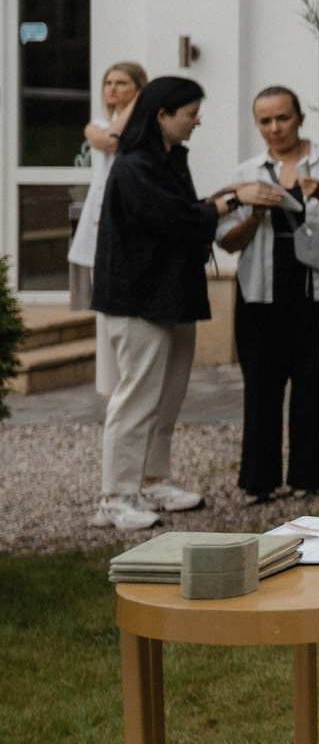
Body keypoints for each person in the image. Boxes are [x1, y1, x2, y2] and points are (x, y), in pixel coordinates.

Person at [89, 76, 246, 533]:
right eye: (190, 114)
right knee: (136, 398)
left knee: (167, 399)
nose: (197, 122)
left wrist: (217, 203)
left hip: (173, 296)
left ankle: (154, 480)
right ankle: (115, 497)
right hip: (138, 300)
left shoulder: (170, 160)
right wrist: (231, 201)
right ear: (162, 115)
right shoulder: (134, 164)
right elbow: (172, 219)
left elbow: (185, 216)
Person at [222, 88, 319, 503]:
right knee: (260, 385)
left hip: (317, 288)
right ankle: (258, 482)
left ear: (299, 117)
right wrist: (256, 214)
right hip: (261, 292)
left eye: (282, 118)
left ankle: (309, 476)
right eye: (265, 121)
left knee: (311, 383)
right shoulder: (248, 171)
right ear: (257, 124)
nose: (275, 128)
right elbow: (228, 243)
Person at [67, 61, 147, 396]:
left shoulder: (146, 127)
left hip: (133, 225)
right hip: (100, 225)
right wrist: (136, 103)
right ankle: (110, 384)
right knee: (106, 306)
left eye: (123, 83)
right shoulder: (96, 125)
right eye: (108, 83)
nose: (112, 89)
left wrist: (141, 105)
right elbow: (108, 140)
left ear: (138, 87)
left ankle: (134, 376)